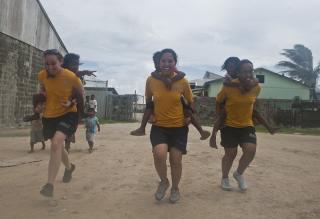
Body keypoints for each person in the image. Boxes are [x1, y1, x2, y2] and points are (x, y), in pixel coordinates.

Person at [145, 48, 193, 203]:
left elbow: (190, 102)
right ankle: (164, 181)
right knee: (159, 154)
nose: (166, 63)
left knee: (175, 159)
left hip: (179, 127)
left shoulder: (183, 81)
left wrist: (188, 116)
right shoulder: (151, 81)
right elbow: (148, 102)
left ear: (175, 63)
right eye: (163, 61)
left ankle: (175, 188)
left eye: (170, 61)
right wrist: (151, 115)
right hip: (159, 126)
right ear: (159, 63)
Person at [130, 51, 210, 140]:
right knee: (149, 106)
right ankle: (142, 128)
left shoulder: (173, 70)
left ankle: (201, 131)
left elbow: (182, 74)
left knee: (188, 112)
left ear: (174, 62)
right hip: (160, 110)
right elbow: (153, 75)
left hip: (178, 100)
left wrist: (171, 81)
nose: (161, 64)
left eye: (168, 61)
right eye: (158, 62)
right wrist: (164, 80)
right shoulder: (155, 74)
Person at [38, 49, 84, 197]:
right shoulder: (42, 75)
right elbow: (43, 89)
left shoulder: (71, 77)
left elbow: (81, 94)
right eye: (47, 64)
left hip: (67, 114)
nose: (50, 67)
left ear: (61, 62)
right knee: (58, 146)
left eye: (53, 63)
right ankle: (69, 167)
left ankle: (49, 184)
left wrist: (71, 102)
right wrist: (41, 102)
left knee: (56, 143)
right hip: (49, 115)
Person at [214, 59, 261, 191]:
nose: (248, 74)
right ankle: (224, 178)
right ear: (238, 73)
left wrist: (255, 117)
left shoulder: (256, 88)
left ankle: (238, 174)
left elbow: (253, 102)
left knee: (251, 150)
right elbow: (218, 101)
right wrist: (218, 118)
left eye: (250, 71)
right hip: (229, 125)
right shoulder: (228, 86)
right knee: (231, 153)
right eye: (244, 72)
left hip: (247, 125)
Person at [209, 57, 276, 148]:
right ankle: (213, 136)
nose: (230, 70)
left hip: (241, 102)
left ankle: (269, 128)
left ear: (237, 68)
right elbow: (228, 85)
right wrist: (240, 85)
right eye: (228, 68)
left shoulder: (245, 74)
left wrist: (252, 83)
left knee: (255, 112)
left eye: (232, 67)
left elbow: (255, 80)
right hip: (226, 101)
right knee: (222, 116)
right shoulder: (228, 77)